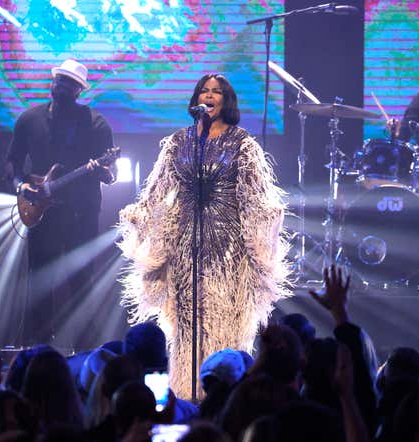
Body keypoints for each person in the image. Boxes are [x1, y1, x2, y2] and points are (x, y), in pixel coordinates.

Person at [118, 73, 291, 398]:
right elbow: (157, 191)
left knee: (222, 320)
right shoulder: (179, 142)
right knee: (188, 325)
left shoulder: (242, 144)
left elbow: (255, 195)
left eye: (217, 92)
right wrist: (140, 217)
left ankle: (223, 396)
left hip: (228, 248)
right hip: (186, 246)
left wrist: (264, 231)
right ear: (196, 98)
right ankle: (187, 393)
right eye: (204, 91)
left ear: (227, 101)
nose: (209, 96)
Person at [4, 59, 116, 346]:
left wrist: (104, 171)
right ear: (52, 82)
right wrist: (22, 186)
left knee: (81, 280)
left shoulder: (95, 123)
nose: (61, 86)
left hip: (81, 213)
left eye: (69, 83)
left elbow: (109, 174)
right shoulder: (30, 119)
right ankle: (38, 345)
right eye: (59, 80)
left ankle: (84, 348)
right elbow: (13, 162)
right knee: (40, 278)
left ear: (79, 90)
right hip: (43, 214)